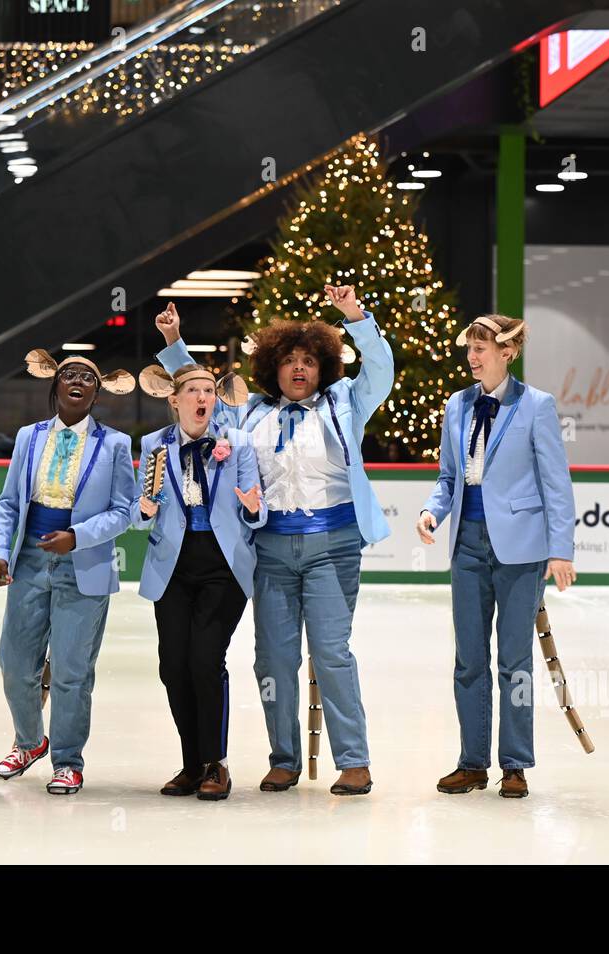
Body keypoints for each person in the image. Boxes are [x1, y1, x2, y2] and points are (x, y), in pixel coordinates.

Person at [155, 283, 394, 796]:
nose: (300, 368)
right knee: (273, 658)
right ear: (273, 368)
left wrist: (355, 315)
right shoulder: (250, 414)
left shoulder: (346, 401)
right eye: (289, 360)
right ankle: (283, 758)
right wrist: (175, 343)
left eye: (309, 360)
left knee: (331, 653)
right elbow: (200, 396)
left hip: (333, 542)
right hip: (270, 551)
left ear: (324, 366)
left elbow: (380, 369)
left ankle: (354, 761)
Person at [416, 314, 576, 799]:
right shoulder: (456, 405)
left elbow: (556, 484)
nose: (473, 355)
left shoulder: (537, 406)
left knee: (514, 662)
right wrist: (431, 512)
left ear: (508, 352)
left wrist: (560, 550)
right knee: (468, 660)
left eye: (482, 347)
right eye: (470, 347)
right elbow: (449, 478)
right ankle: (472, 762)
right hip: (466, 544)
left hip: (521, 550)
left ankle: (515, 764)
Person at [0, 349, 136, 796]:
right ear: (55, 386)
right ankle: (30, 742)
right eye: (68, 374)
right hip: (30, 562)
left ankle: (68, 761)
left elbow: (125, 511)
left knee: (72, 671)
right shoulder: (28, 438)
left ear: (97, 392)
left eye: (88, 378)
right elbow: (10, 503)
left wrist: (79, 535)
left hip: (84, 567)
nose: (77, 381)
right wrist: (0, 550)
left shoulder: (114, 444)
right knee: (14, 663)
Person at [132, 362, 266, 800]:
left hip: (222, 566)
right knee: (173, 666)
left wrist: (250, 508)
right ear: (175, 400)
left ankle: (216, 764)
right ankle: (192, 764)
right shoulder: (155, 444)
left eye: (208, 390)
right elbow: (138, 510)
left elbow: (256, 510)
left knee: (205, 661)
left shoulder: (237, 443)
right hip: (172, 565)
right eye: (192, 390)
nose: (202, 397)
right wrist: (144, 511)